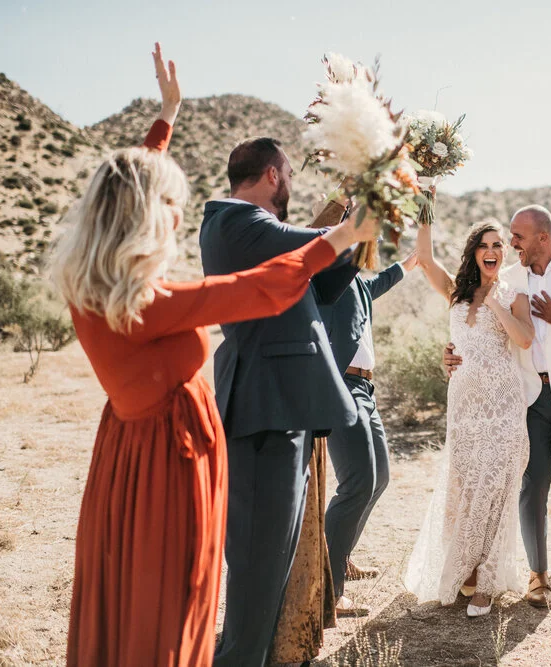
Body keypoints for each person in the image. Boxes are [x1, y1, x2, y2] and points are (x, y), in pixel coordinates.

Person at [51, 44, 376, 667]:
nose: (176, 220)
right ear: (140, 222)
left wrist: (166, 118)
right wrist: (341, 235)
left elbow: (125, 188)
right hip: (163, 469)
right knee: (169, 601)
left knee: (142, 599)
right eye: (167, 210)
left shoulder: (94, 286)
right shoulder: (144, 304)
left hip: (134, 453)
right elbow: (258, 289)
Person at [200, 139, 367, 662]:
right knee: (256, 566)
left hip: (281, 408)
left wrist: (358, 228)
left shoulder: (257, 235)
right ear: (273, 174)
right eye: (290, 173)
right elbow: (312, 245)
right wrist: (359, 217)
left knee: (271, 564)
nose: (292, 182)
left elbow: (317, 282)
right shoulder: (236, 224)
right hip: (260, 409)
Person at [444, 205, 551, 607]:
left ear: (542, 237)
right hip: (525, 397)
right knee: (532, 487)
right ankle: (537, 575)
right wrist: (455, 353)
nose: (511, 244)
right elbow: (480, 326)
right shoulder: (507, 279)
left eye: (518, 237)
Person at [404, 220, 534, 617]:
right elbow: (424, 259)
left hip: (504, 408)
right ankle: (468, 572)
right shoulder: (456, 293)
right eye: (483, 245)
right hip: (463, 408)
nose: (491, 250)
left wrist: (495, 302)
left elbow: (524, 339)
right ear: (474, 252)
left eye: (498, 245)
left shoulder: (515, 295)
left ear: (504, 253)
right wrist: (428, 193)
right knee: (464, 489)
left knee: (494, 490)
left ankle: (488, 583)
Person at [313, 200, 419, 615]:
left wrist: (413, 262)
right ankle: (329, 590)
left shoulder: (358, 281)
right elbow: (320, 228)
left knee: (378, 480)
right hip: (339, 384)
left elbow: (382, 280)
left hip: (365, 389)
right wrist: (347, 201)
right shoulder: (325, 273)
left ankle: (337, 556)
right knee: (357, 483)